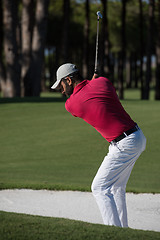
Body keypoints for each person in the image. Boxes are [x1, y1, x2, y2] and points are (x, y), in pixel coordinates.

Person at [51, 63, 146, 228]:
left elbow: (82, 99)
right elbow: (98, 90)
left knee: (99, 188)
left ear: (69, 80)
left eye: (61, 85)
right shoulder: (103, 82)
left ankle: (114, 233)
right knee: (116, 188)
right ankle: (123, 231)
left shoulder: (71, 105)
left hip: (124, 143)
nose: (61, 90)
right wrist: (95, 81)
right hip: (137, 137)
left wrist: (91, 85)